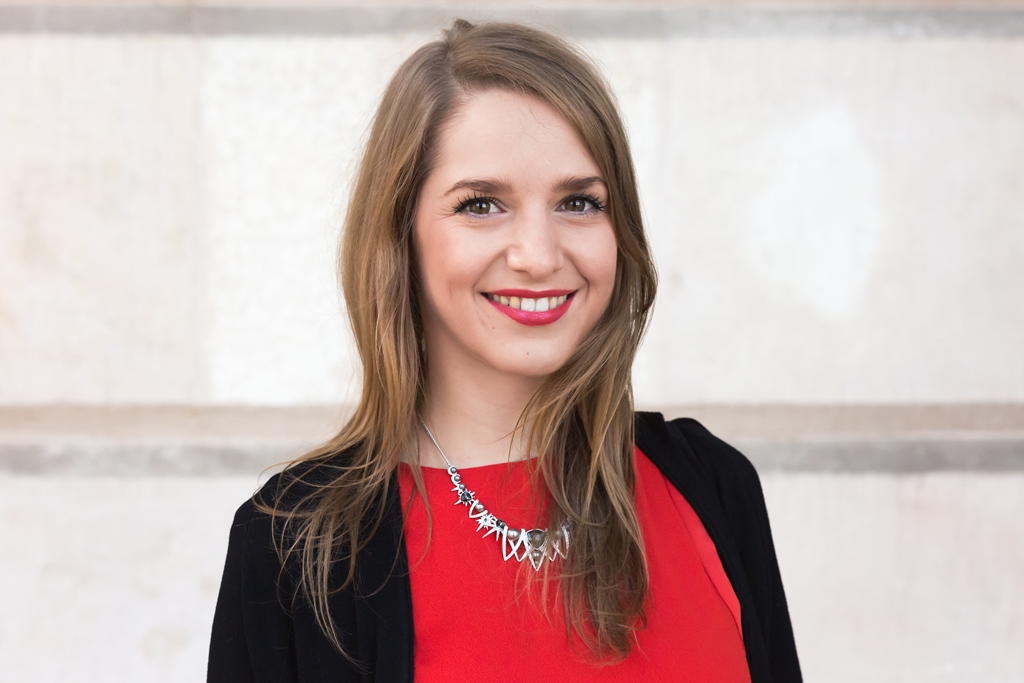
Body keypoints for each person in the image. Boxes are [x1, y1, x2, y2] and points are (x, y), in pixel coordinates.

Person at [208, 19, 800, 683]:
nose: (540, 255)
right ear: (401, 235)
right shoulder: (296, 548)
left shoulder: (712, 485)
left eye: (579, 201)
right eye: (483, 204)